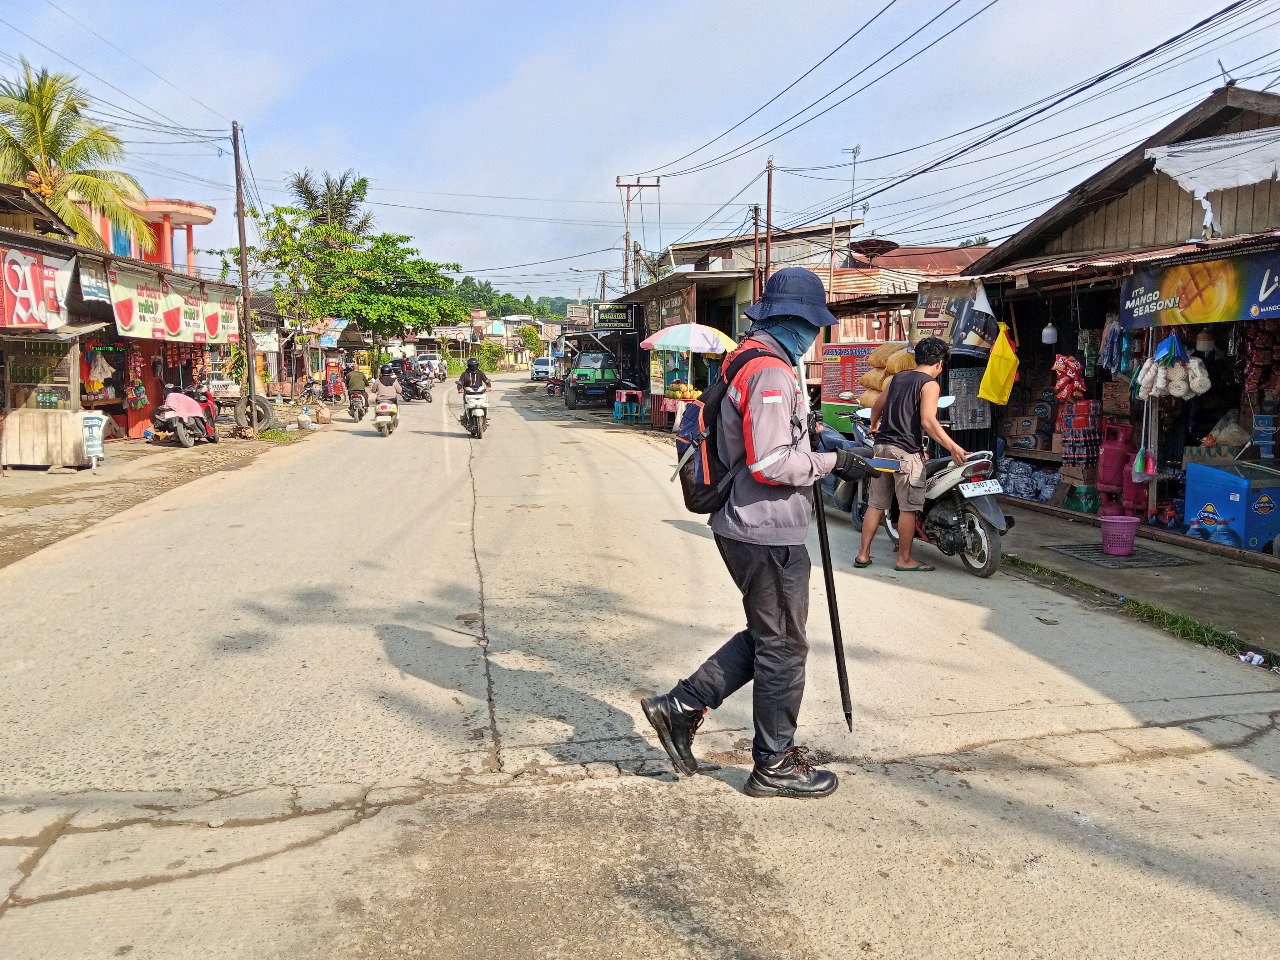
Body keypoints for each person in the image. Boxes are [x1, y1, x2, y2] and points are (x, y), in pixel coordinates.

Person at [641, 267, 869, 800]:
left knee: (771, 636)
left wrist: (816, 436)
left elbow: (768, 439)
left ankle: (682, 705)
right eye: (813, 326)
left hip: (749, 525)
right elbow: (770, 462)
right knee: (784, 648)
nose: (814, 337)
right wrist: (834, 461)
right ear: (795, 321)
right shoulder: (769, 372)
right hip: (763, 529)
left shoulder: (748, 358)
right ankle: (773, 764)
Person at [855, 336, 968, 573]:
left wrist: (874, 426)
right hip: (906, 453)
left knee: (876, 504)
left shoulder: (896, 379)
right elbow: (928, 421)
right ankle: (904, 559)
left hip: (882, 448)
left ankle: (863, 555)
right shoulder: (930, 384)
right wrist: (953, 447)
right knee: (908, 507)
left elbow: (877, 406)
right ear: (939, 364)